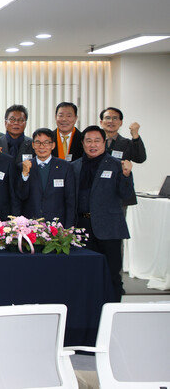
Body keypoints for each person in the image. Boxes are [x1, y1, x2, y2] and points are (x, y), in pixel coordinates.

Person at [72, 125, 135, 302]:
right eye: (88, 141)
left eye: (97, 141)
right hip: (82, 227)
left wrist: (126, 175)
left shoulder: (117, 165)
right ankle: (88, 309)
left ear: (104, 142)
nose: (93, 145)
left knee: (112, 273)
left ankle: (112, 310)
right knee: (84, 273)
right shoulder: (74, 166)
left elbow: (126, 195)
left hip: (109, 228)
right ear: (83, 143)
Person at [16, 128, 76, 227]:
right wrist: (25, 175)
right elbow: (21, 196)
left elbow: (70, 201)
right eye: (38, 142)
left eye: (46, 142)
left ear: (53, 145)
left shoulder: (65, 167)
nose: (42, 146)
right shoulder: (23, 166)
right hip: (31, 226)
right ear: (33, 145)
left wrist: (68, 228)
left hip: (57, 226)